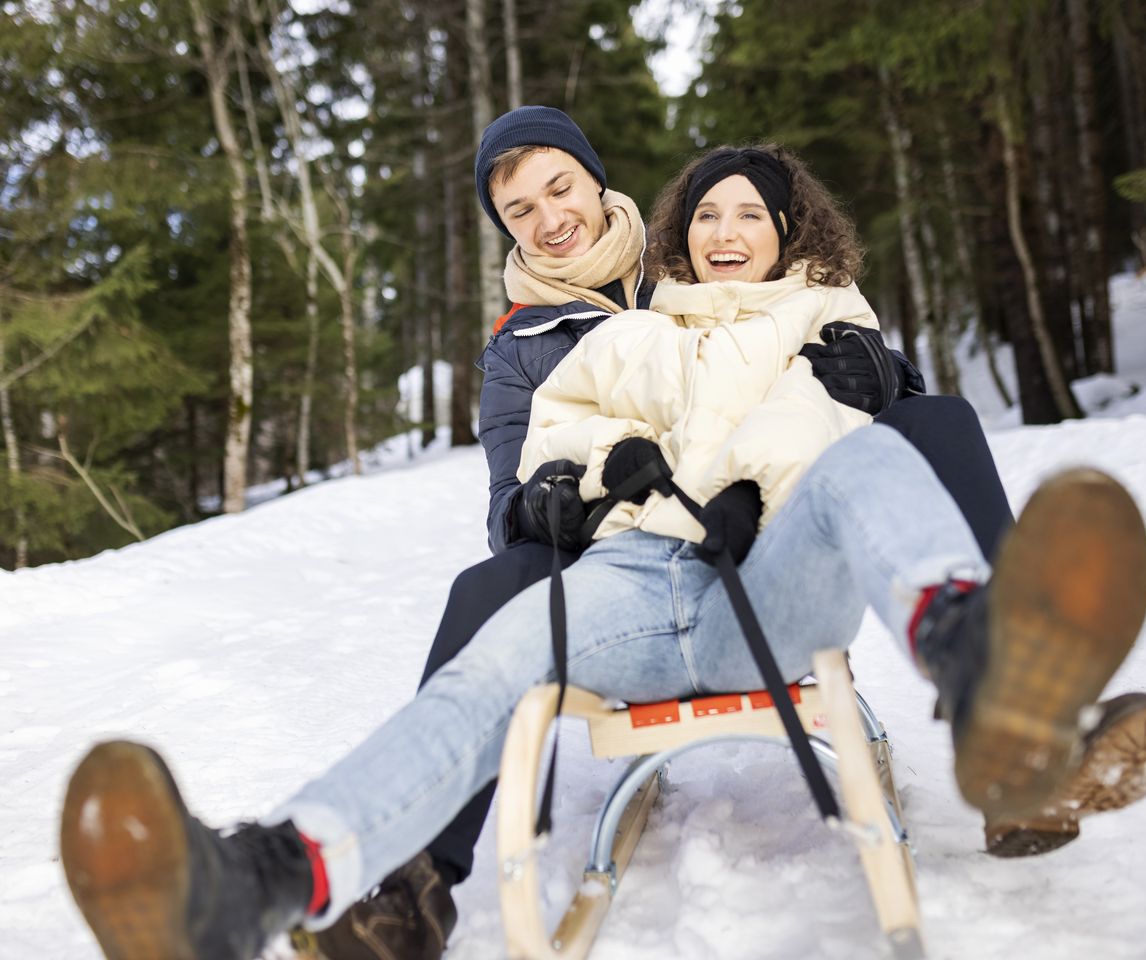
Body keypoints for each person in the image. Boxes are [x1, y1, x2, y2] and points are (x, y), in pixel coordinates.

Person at [59, 143, 1146, 960]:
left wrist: (774, 466)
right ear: (678, 236)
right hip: (627, 582)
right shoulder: (625, 332)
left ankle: (992, 683)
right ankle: (253, 884)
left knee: (874, 464)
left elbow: (830, 448)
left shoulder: (821, 323)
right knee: (480, 671)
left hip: (767, 586)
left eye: (752, 215)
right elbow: (563, 428)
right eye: (711, 215)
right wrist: (573, 486)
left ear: (789, 237)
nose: (728, 232)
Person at [302, 106, 1049, 960]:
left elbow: (799, 352)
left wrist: (889, 376)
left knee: (939, 421)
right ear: (502, 226)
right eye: (520, 211)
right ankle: (413, 886)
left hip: (757, 522)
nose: (550, 220)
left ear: (595, 179)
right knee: (488, 586)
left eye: (560, 189)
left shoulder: (687, 271)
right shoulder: (518, 349)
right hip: (611, 549)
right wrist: (542, 501)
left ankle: (1017, 709)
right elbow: (506, 494)